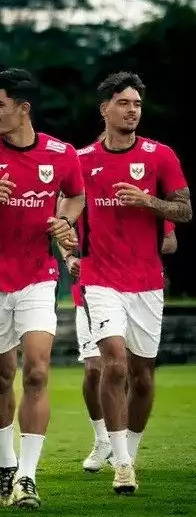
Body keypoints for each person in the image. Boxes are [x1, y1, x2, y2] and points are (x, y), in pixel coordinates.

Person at [0, 69, 84, 509]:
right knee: (0, 377)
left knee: (38, 371)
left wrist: (65, 219)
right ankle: (6, 464)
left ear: (23, 109)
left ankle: (27, 476)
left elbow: (75, 195)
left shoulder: (61, 154)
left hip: (39, 277)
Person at [75, 71, 190, 494]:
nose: (132, 110)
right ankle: (121, 463)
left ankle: (132, 450)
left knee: (142, 375)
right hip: (100, 279)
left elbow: (184, 211)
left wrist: (148, 201)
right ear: (104, 108)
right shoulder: (82, 160)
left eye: (137, 104)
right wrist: (66, 241)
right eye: (123, 103)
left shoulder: (161, 156)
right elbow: (65, 213)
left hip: (146, 282)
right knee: (114, 364)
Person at [66, 218, 175, 473]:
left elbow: (170, 241)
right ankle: (102, 440)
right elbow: (66, 233)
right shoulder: (85, 190)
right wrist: (70, 257)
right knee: (95, 369)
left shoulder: (143, 194)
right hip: (92, 291)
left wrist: (129, 245)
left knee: (131, 374)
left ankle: (124, 452)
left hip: (137, 289)